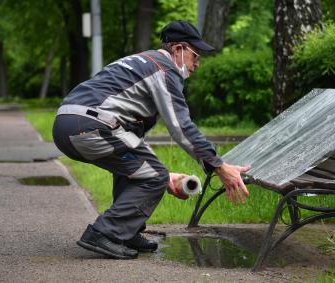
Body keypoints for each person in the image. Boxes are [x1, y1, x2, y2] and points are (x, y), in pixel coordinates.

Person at [52, 20, 250, 260]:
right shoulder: (165, 69)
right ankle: (104, 232)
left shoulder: (140, 61)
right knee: (154, 176)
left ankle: (126, 231)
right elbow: (181, 127)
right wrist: (219, 166)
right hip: (90, 126)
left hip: (68, 123)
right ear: (178, 50)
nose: (197, 65)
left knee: (143, 172)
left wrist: (165, 176)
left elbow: (130, 132)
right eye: (195, 56)